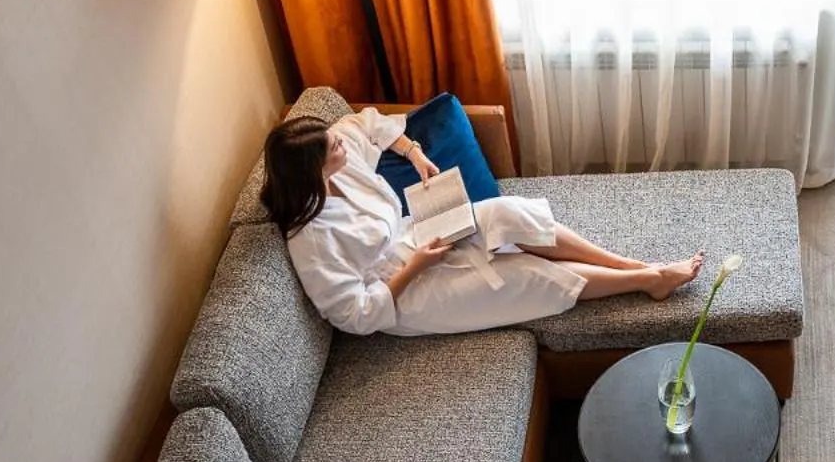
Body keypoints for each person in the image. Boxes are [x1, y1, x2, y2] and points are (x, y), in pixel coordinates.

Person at [260, 107, 702, 336]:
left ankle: (625, 262)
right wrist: (418, 266)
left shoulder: (338, 151)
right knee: (525, 274)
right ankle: (649, 279)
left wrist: (416, 155)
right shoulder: (311, 238)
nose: (343, 142)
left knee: (508, 213)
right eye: (335, 147)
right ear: (315, 170)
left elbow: (369, 123)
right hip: (407, 295)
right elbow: (352, 316)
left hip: (416, 233)